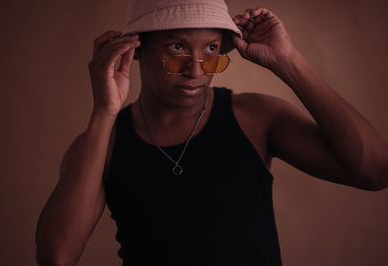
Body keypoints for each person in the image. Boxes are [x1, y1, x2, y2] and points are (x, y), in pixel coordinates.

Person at [35, 0, 388, 265]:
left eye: (212, 49)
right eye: (176, 48)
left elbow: (375, 171)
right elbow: (56, 256)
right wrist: (104, 112)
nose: (196, 70)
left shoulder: (256, 118)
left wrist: (289, 62)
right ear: (137, 48)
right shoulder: (101, 143)